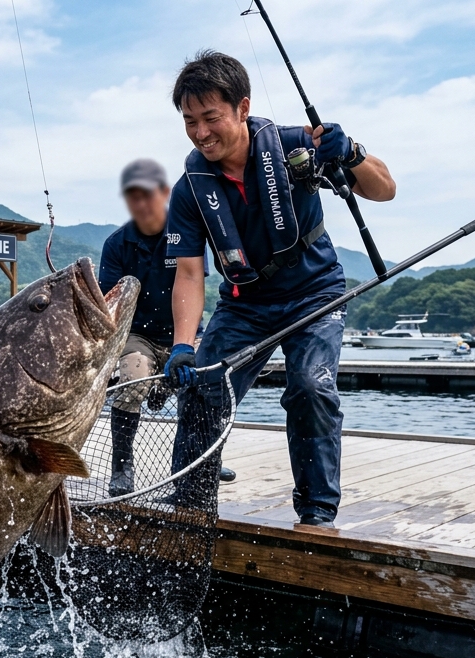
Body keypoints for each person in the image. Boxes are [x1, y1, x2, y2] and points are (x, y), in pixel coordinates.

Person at [161, 50, 396, 527]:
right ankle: (189, 507)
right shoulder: (190, 188)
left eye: (211, 118)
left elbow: (385, 189)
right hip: (245, 301)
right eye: (189, 121)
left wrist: (350, 151)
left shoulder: (297, 148)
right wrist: (183, 344)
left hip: (315, 292)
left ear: (242, 108)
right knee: (205, 387)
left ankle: (316, 514)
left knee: (311, 386)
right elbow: (188, 273)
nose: (200, 132)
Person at [98, 158, 237, 497]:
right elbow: (109, 305)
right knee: (133, 375)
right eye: (134, 197)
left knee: (213, 379)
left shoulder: (184, 233)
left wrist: (184, 344)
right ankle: (122, 465)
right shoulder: (117, 244)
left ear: (163, 194)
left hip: (184, 332)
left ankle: (205, 458)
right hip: (139, 335)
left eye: (148, 195)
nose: (142, 204)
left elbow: (194, 286)